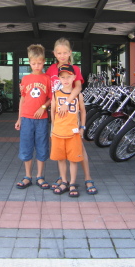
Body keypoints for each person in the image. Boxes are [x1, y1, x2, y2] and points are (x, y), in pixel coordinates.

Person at [45, 37, 98, 195]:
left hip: (72, 117)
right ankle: (63, 179)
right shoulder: (51, 70)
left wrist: (67, 103)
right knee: (61, 151)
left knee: (79, 150)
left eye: (65, 53)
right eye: (59, 53)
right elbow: (50, 93)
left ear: (70, 53)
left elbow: (78, 88)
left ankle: (87, 177)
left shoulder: (75, 68)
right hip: (59, 120)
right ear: (55, 54)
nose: (62, 55)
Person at [15, 44, 52, 189]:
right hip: (27, 118)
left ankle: (40, 176)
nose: (37, 65)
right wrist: (19, 118)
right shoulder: (25, 79)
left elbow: (51, 98)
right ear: (29, 62)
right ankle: (27, 176)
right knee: (26, 147)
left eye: (40, 62)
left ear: (44, 61)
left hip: (42, 119)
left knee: (42, 147)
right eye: (34, 63)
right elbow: (22, 99)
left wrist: (43, 107)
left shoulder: (47, 79)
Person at [50, 64, 86, 197]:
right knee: (61, 159)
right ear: (58, 78)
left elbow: (83, 112)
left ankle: (72, 183)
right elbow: (52, 112)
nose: (65, 80)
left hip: (73, 133)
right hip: (58, 133)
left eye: (68, 77)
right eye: (62, 77)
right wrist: (54, 127)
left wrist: (82, 127)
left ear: (74, 77)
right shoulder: (55, 94)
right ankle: (64, 181)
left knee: (73, 159)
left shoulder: (78, 95)